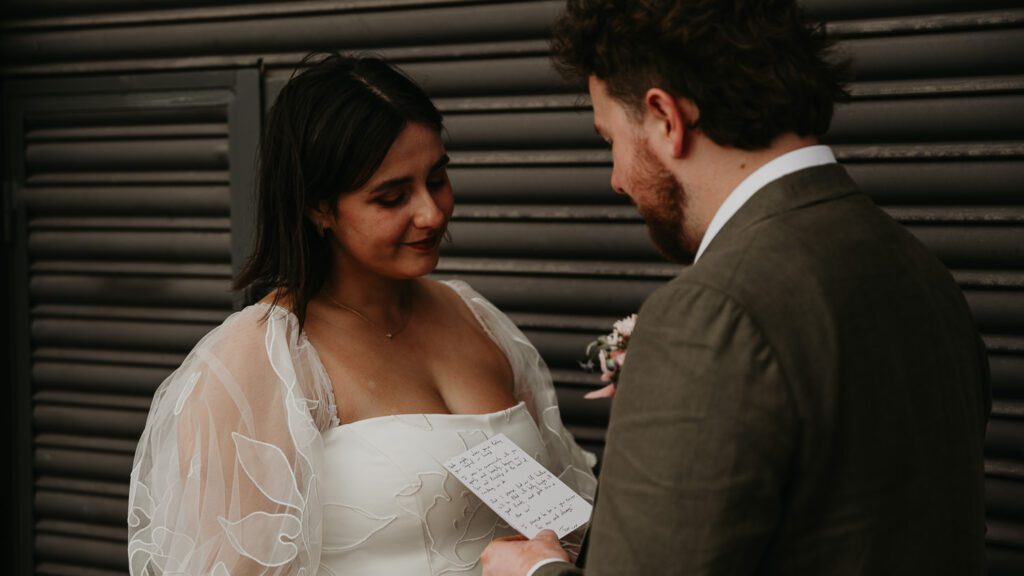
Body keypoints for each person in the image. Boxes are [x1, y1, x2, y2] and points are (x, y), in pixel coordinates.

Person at [482, 1, 990, 575]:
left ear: (665, 118)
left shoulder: (712, 314)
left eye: (610, 139)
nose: (616, 178)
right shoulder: (918, 266)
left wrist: (536, 573)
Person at [127, 53, 597, 576]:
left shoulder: (471, 315)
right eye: (393, 196)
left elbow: (567, 520)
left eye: (437, 179)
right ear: (318, 208)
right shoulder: (260, 358)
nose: (432, 212)